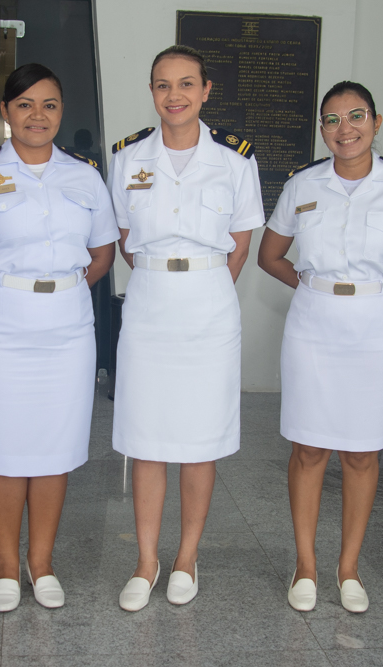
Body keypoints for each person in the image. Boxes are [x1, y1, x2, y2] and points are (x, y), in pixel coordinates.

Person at [0, 63, 118, 613]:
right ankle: (6, 567)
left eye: (50, 104)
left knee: (54, 449)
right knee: (4, 449)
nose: (37, 115)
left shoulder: (85, 177)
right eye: (25, 105)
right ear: (6, 112)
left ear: (62, 111)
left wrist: (61, 290)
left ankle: (42, 563)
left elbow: (103, 250)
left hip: (66, 329)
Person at [257, 81, 383, 613]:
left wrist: (380, 293)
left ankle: (349, 570)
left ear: (376, 122)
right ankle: (307, 567)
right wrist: (317, 289)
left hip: (375, 331)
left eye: (356, 116)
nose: (346, 129)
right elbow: (271, 256)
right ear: (323, 129)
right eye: (333, 120)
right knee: (309, 447)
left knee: (362, 452)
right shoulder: (303, 185)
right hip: (313, 327)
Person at [109, 45, 264, 611]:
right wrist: (160, 275)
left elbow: (242, 242)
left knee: (200, 441)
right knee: (147, 441)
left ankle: (185, 558)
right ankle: (146, 560)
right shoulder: (127, 158)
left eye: (185, 84)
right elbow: (125, 238)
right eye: (161, 85)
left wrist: (202, 283)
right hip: (149, 304)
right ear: (152, 92)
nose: (173, 95)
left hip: (209, 307)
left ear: (205, 91)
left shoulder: (235, 161)